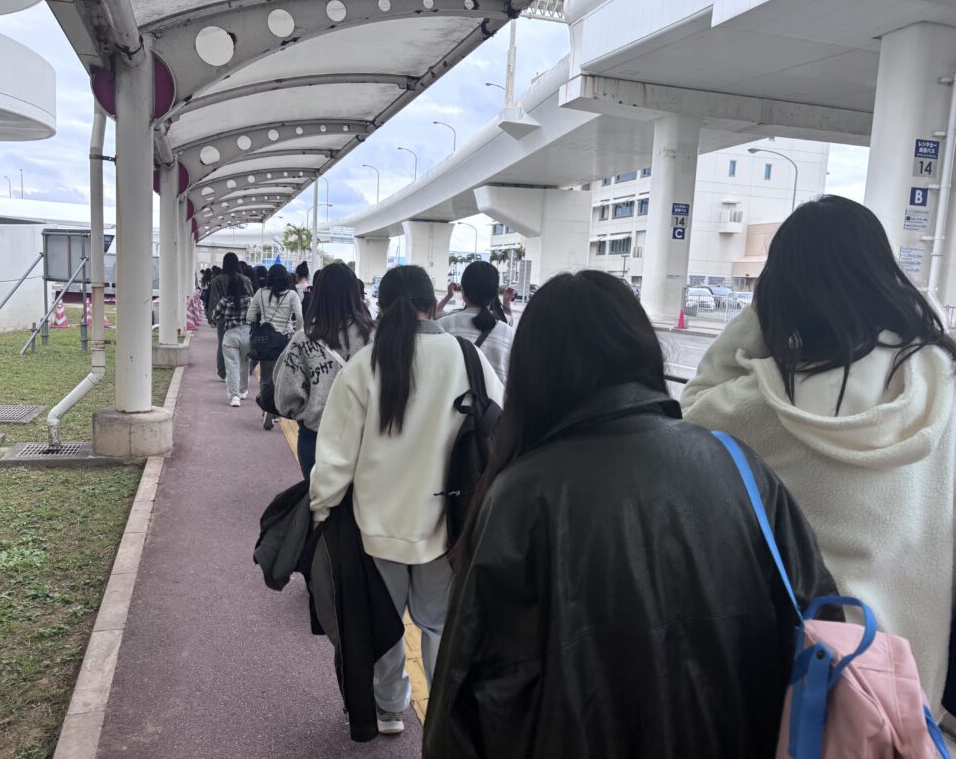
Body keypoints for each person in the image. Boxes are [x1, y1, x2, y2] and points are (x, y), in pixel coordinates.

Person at [424, 270, 838, 758]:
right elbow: (819, 620)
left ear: (533, 372)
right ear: (642, 352)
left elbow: (464, 685)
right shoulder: (739, 467)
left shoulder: (520, 496)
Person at [681, 195, 956, 710]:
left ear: (783, 289)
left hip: (812, 682)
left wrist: (759, 312)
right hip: (912, 684)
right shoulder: (943, 382)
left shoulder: (766, 403)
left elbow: (690, 414)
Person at [310, 265, 504, 736]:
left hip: (377, 525)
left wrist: (320, 506)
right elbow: (501, 430)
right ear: (434, 305)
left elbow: (336, 456)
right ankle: (442, 719)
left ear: (379, 308)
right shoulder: (468, 359)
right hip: (450, 525)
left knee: (384, 624)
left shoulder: (364, 366)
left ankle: (389, 710)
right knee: (438, 626)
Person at [273, 263, 374, 477]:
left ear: (319, 294)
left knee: (317, 495)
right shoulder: (375, 337)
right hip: (366, 441)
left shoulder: (303, 339)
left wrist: (309, 410)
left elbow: (285, 397)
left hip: (316, 438)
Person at [438, 261, 516, 384]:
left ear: (463, 292)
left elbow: (435, 313)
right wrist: (506, 302)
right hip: (495, 397)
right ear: (494, 296)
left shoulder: (444, 325)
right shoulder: (509, 334)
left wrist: (449, 295)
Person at [248, 264, 302, 429]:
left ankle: (266, 408)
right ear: (286, 278)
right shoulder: (292, 295)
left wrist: (263, 322)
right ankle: (275, 410)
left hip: (265, 340)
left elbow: (250, 316)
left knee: (265, 377)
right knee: (280, 377)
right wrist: (295, 334)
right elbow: (300, 317)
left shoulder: (260, 293)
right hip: (284, 340)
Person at [211, 258, 255, 406]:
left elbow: (215, 315)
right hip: (247, 334)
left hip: (230, 333)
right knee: (245, 363)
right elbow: (255, 314)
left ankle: (234, 396)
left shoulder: (224, 299)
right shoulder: (249, 299)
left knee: (232, 365)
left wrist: (217, 318)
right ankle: (243, 390)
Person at [206, 253, 253, 381]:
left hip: (224, 318)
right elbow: (251, 297)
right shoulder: (245, 279)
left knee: (223, 344)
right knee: (244, 347)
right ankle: (243, 374)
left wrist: (212, 318)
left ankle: (223, 373)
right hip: (243, 319)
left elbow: (214, 300)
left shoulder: (217, 280)